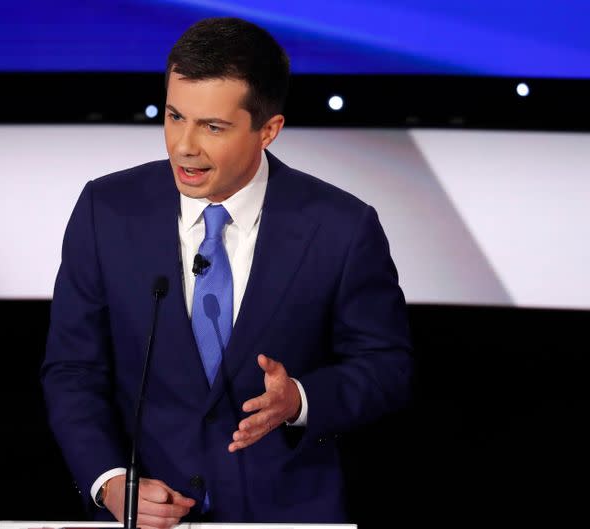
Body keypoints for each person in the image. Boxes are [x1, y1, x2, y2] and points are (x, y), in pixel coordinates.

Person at [41, 17, 413, 527]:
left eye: (212, 126)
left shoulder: (342, 227)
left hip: (285, 514)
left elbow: (387, 367)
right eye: (174, 116)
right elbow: (73, 370)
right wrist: (109, 481)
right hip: (149, 517)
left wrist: (300, 399)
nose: (183, 146)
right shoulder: (106, 210)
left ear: (268, 131)